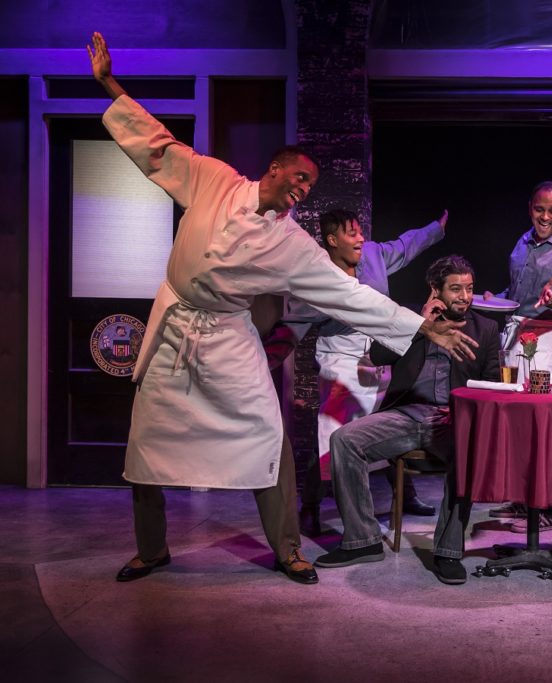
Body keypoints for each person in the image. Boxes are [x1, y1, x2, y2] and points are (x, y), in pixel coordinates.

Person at [87, 32, 477, 585]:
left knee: (268, 438)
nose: (304, 189)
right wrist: (107, 82)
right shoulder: (215, 180)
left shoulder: (293, 244)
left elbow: (349, 294)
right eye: (299, 177)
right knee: (146, 444)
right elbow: (159, 148)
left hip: (226, 336)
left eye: (311, 186)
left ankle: (289, 549)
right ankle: (152, 550)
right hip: (176, 328)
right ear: (274, 168)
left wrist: (420, 330)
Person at [315, 255, 500, 585]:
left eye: (469, 289)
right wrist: (418, 325)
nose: (465, 296)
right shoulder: (410, 318)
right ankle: (363, 541)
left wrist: (466, 414)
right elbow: (377, 356)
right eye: (456, 289)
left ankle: (448, 551)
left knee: (468, 452)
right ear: (436, 289)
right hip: (405, 413)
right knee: (344, 440)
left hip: (453, 419)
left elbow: (492, 386)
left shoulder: (485, 329)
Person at [263, 207, 446, 535]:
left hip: (380, 357)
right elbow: (294, 323)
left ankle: (406, 493)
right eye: (352, 233)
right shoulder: (319, 279)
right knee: (332, 437)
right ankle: (311, 504)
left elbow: (405, 246)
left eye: (360, 231)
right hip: (342, 365)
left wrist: (436, 227)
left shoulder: (373, 256)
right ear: (333, 240)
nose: (361, 238)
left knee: (392, 424)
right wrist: (270, 357)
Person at [486, 181, 552, 531]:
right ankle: (523, 500)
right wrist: (496, 297)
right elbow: (519, 293)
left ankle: (551, 508)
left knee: (544, 424)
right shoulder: (523, 241)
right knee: (518, 423)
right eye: (539, 209)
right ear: (530, 207)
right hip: (517, 336)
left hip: (548, 341)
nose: (545, 216)